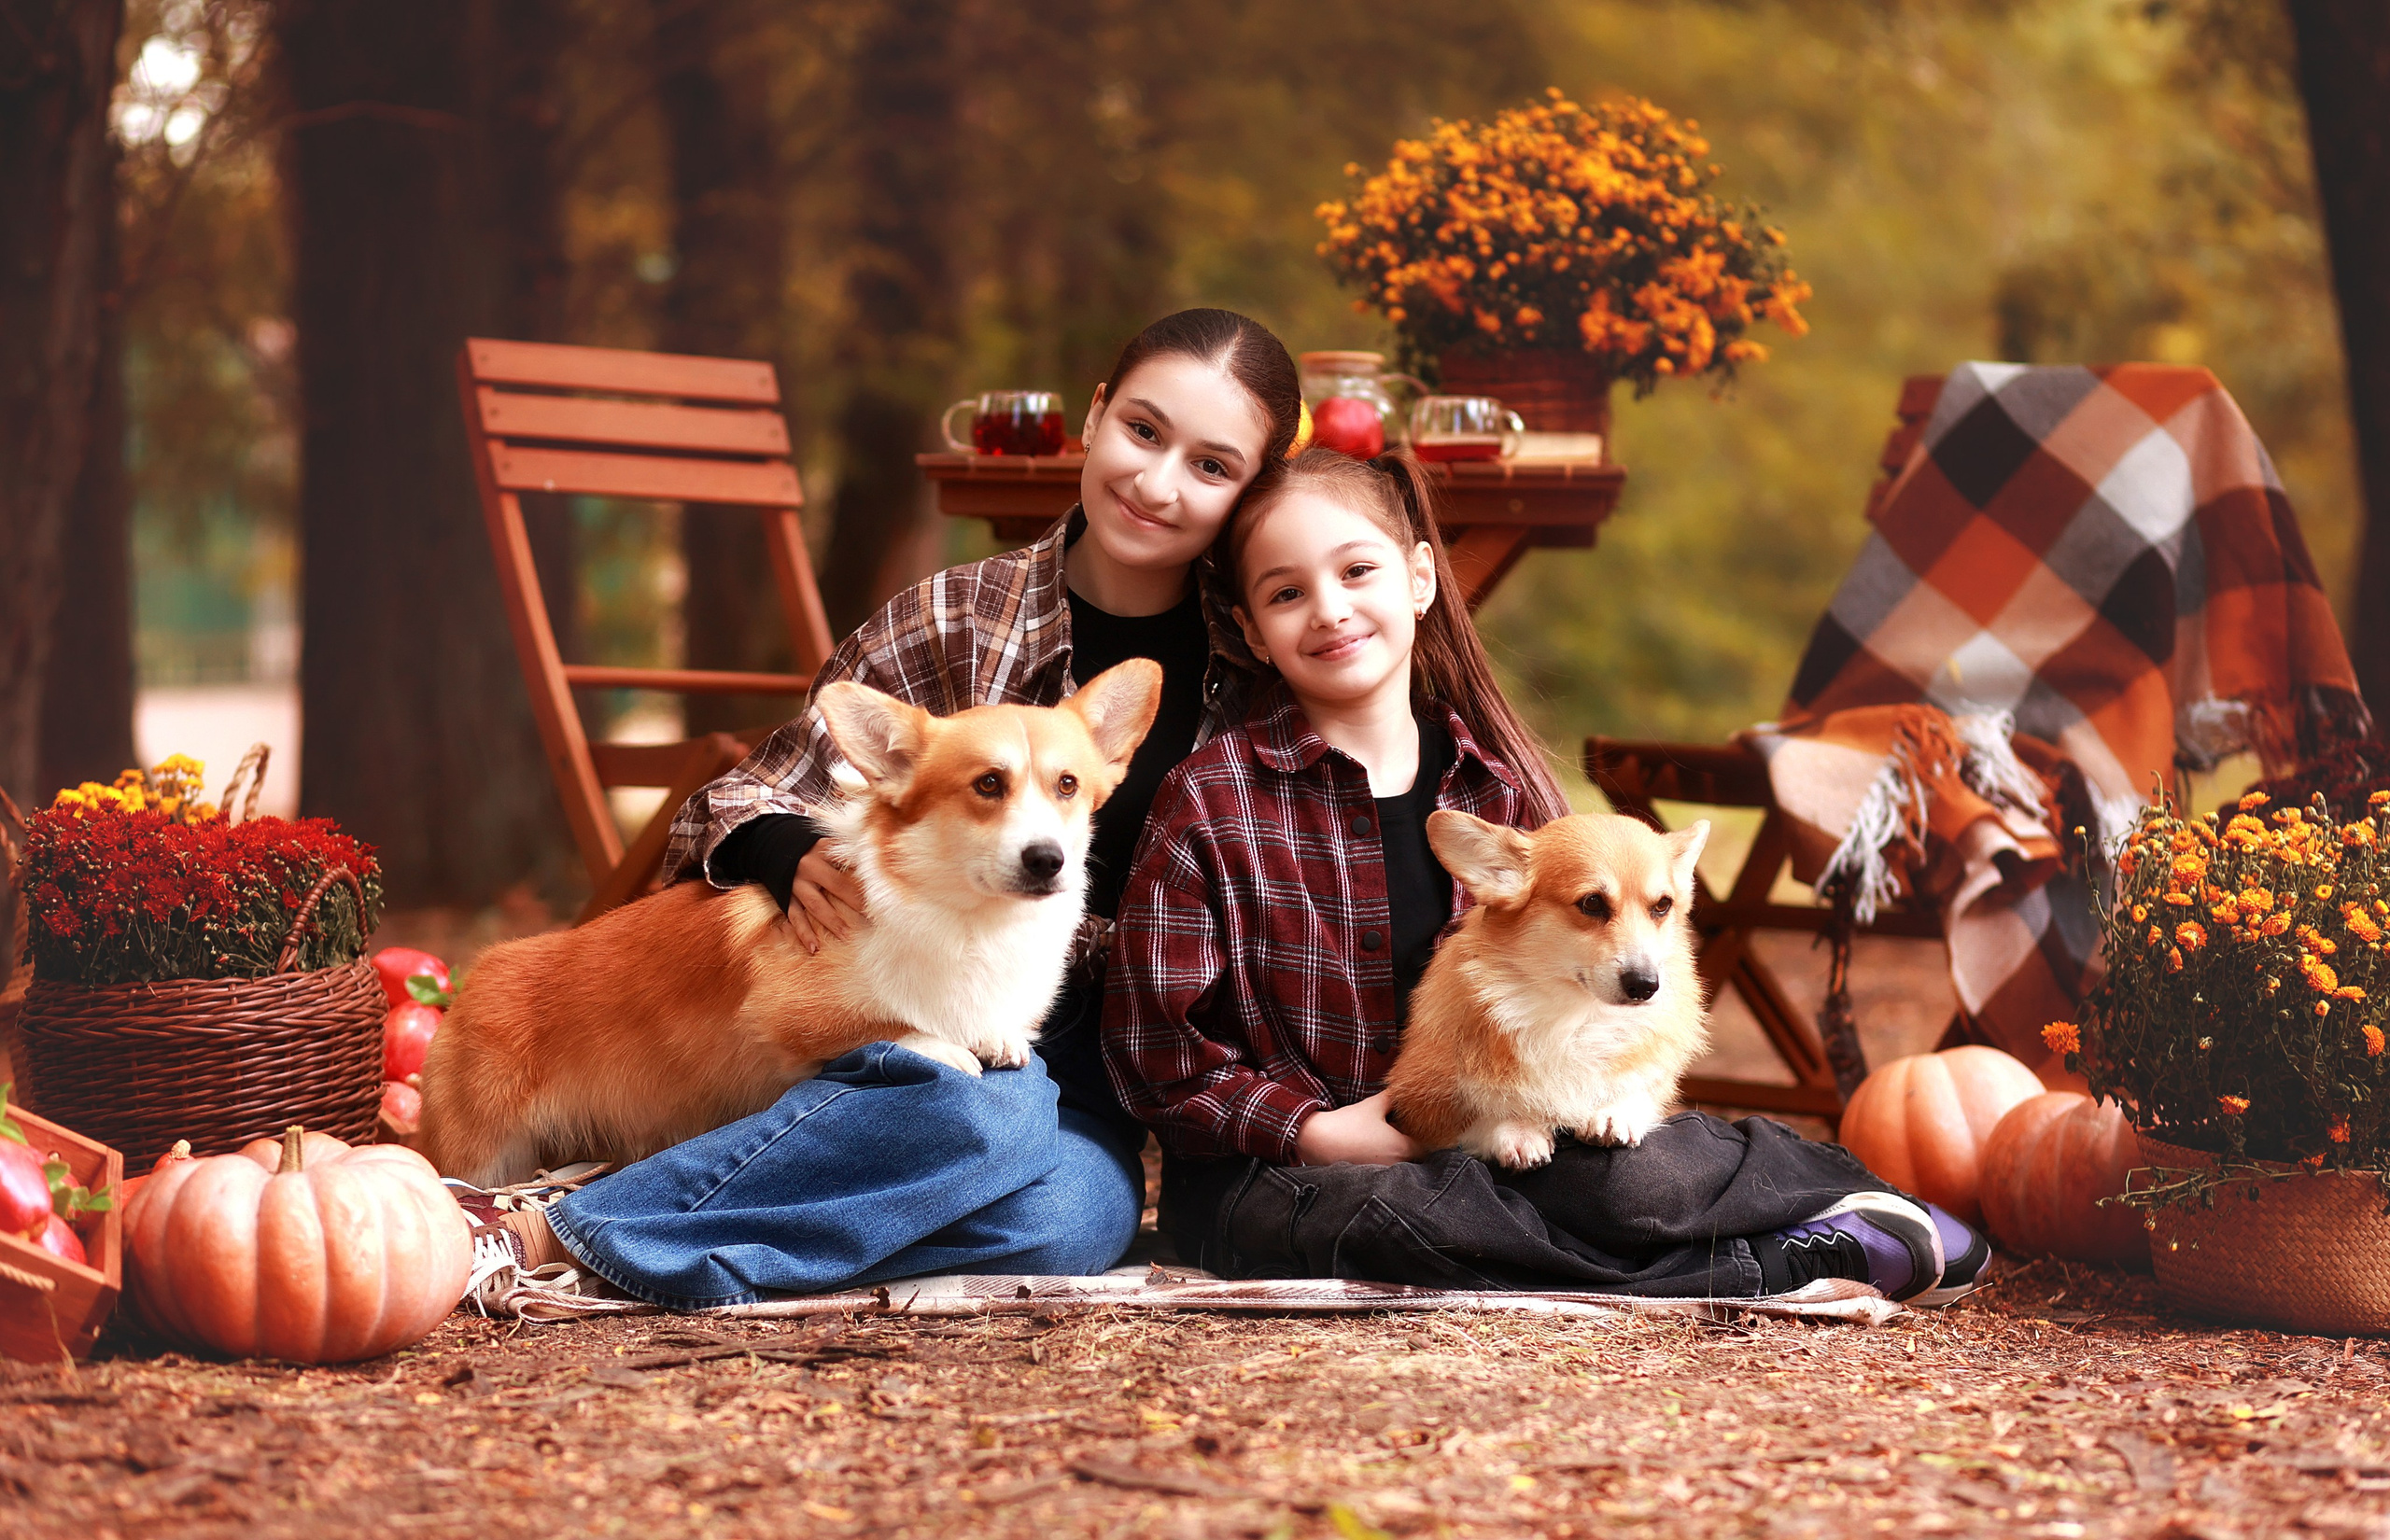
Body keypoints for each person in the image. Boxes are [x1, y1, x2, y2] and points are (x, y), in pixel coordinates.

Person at [457, 308, 1305, 1311]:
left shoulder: (1265, 654)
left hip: (1095, 1057)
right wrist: (778, 849)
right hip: (917, 1013)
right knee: (975, 1120)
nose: (1158, 483)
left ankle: (668, 1211)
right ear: (1094, 418)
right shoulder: (952, 614)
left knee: (1073, 1224)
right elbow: (759, 788)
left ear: (1250, 491)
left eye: (1212, 467)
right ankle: (555, 1233)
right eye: (1144, 432)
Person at [1103, 444, 1992, 1304]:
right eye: (1287, 592)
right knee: (1422, 1223)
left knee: (1620, 1179)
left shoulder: (1498, 785)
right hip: (1290, 1176)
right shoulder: (1211, 803)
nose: (1329, 609)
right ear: (1254, 632)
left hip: (1503, 1136)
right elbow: (1154, 1051)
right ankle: (1785, 1256)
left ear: (1419, 578)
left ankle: (1828, 1193)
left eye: (1357, 572)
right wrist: (1316, 1132)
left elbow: (1614, 991)